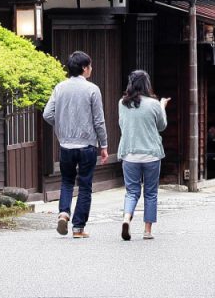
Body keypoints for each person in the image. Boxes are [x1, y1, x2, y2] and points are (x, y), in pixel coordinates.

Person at [42, 51, 108, 238]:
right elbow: (99, 121)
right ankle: (78, 228)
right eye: (90, 66)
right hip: (87, 145)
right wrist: (103, 145)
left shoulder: (60, 88)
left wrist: (62, 125)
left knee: (67, 181)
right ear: (84, 68)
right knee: (85, 185)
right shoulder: (92, 89)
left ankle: (63, 213)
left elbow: (47, 114)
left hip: (66, 145)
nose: (91, 69)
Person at [116, 69, 168, 241]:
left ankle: (126, 219)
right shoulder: (153, 104)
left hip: (130, 154)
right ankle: (147, 231)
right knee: (151, 193)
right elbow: (162, 125)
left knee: (131, 192)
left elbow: (122, 125)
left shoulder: (122, 104)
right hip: (151, 154)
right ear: (147, 84)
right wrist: (162, 106)